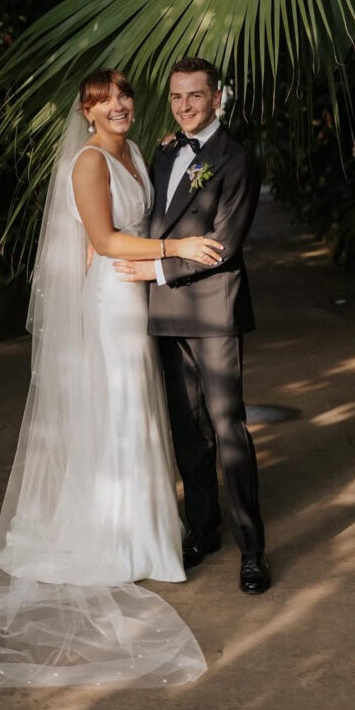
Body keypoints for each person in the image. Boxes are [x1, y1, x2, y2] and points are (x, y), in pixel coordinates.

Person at [0, 68, 220, 687]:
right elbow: (103, 237)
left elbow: (128, 232)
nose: (118, 106)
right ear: (86, 114)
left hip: (137, 292)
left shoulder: (138, 150)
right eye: (104, 102)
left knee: (139, 409)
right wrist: (175, 250)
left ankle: (146, 534)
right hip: (113, 300)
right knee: (122, 408)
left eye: (124, 96)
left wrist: (144, 248)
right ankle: (117, 541)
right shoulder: (91, 163)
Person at [114, 57, 270, 595]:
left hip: (213, 308)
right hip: (166, 312)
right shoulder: (161, 153)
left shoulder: (237, 159)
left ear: (216, 98)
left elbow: (223, 247)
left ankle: (254, 551)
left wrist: (156, 267)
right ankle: (204, 528)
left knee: (229, 430)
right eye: (177, 97)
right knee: (188, 431)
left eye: (195, 97)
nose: (184, 107)